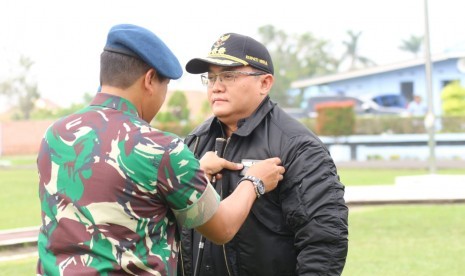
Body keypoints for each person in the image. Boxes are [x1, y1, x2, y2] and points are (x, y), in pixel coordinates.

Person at [36, 24, 285, 276]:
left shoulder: (55, 135)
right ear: (149, 80)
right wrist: (254, 181)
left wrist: (193, 171)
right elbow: (222, 228)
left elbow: (120, 188)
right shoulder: (160, 149)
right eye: (165, 86)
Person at [179, 33, 349, 276]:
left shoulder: (297, 146)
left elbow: (324, 241)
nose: (216, 86)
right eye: (211, 77)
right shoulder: (196, 142)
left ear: (265, 83)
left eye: (229, 75)